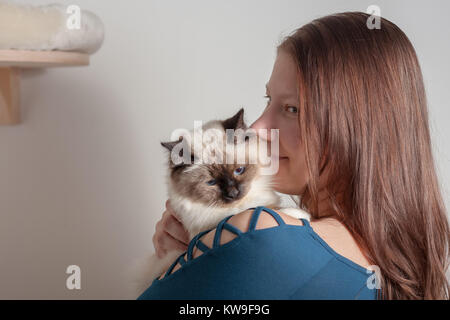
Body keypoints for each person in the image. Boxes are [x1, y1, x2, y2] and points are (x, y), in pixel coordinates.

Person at [139, 11, 450, 300]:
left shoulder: (261, 232)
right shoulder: (391, 267)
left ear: (356, 129)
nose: (258, 128)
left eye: (291, 109)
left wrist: (179, 270)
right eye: (268, 100)